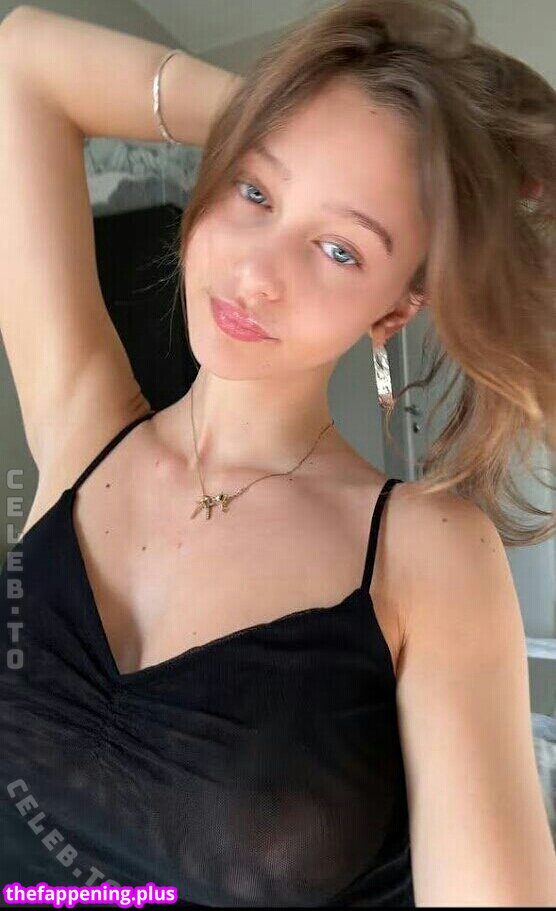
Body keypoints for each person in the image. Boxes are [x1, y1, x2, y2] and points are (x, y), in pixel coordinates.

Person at [0, 0, 555, 906]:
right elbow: (21, 59)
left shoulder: (426, 552)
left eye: (338, 249)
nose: (257, 273)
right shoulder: (83, 429)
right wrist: (261, 113)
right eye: (254, 190)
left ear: (394, 308)